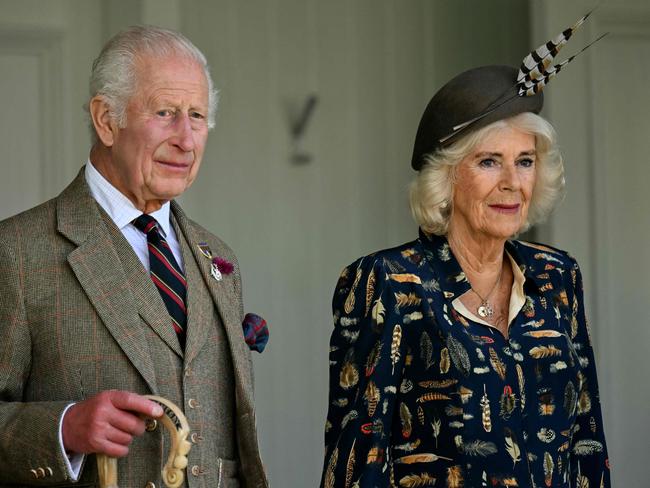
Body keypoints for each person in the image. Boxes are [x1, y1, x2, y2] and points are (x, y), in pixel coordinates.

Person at [320, 25, 610, 488]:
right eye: (489, 161)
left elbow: (586, 440)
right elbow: (358, 459)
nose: (512, 182)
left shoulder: (558, 276)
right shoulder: (389, 282)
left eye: (526, 160)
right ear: (447, 176)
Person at [0, 26, 267, 487]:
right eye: (166, 113)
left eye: (198, 116)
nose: (187, 140)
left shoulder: (219, 258)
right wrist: (63, 428)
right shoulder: (17, 252)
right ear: (107, 120)